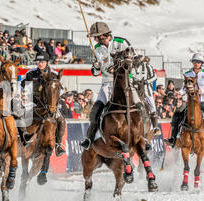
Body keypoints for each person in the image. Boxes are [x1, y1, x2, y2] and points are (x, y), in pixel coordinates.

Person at [80, 22, 144, 150]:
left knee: (139, 106)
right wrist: (97, 67)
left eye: (96, 37)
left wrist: (121, 66)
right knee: (95, 111)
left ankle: (143, 137)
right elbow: (95, 72)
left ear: (104, 35)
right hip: (107, 83)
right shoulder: (97, 48)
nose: (95, 40)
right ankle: (89, 138)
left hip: (125, 81)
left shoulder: (121, 42)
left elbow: (137, 59)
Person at [19, 51, 66, 156]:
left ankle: (58, 145)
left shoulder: (53, 74)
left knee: (61, 121)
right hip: (32, 103)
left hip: (49, 106)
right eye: (38, 61)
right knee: (18, 115)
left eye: (42, 61)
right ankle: (23, 137)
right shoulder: (30, 74)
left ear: (47, 62)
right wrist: (21, 93)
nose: (40, 63)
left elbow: (61, 90)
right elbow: (20, 86)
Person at [165, 53, 204, 147]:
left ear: (201, 63)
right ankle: (173, 138)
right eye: (195, 62)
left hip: (203, 101)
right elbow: (183, 88)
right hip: (190, 102)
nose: (196, 64)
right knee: (178, 113)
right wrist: (179, 93)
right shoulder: (188, 74)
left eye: (198, 62)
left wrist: (202, 91)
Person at [131, 55, 161, 136]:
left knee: (152, 107)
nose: (136, 60)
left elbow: (154, 77)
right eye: (135, 58)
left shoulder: (147, 66)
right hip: (135, 90)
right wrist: (132, 81)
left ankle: (155, 127)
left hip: (146, 90)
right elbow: (130, 77)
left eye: (137, 58)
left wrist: (146, 82)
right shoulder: (131, 67)